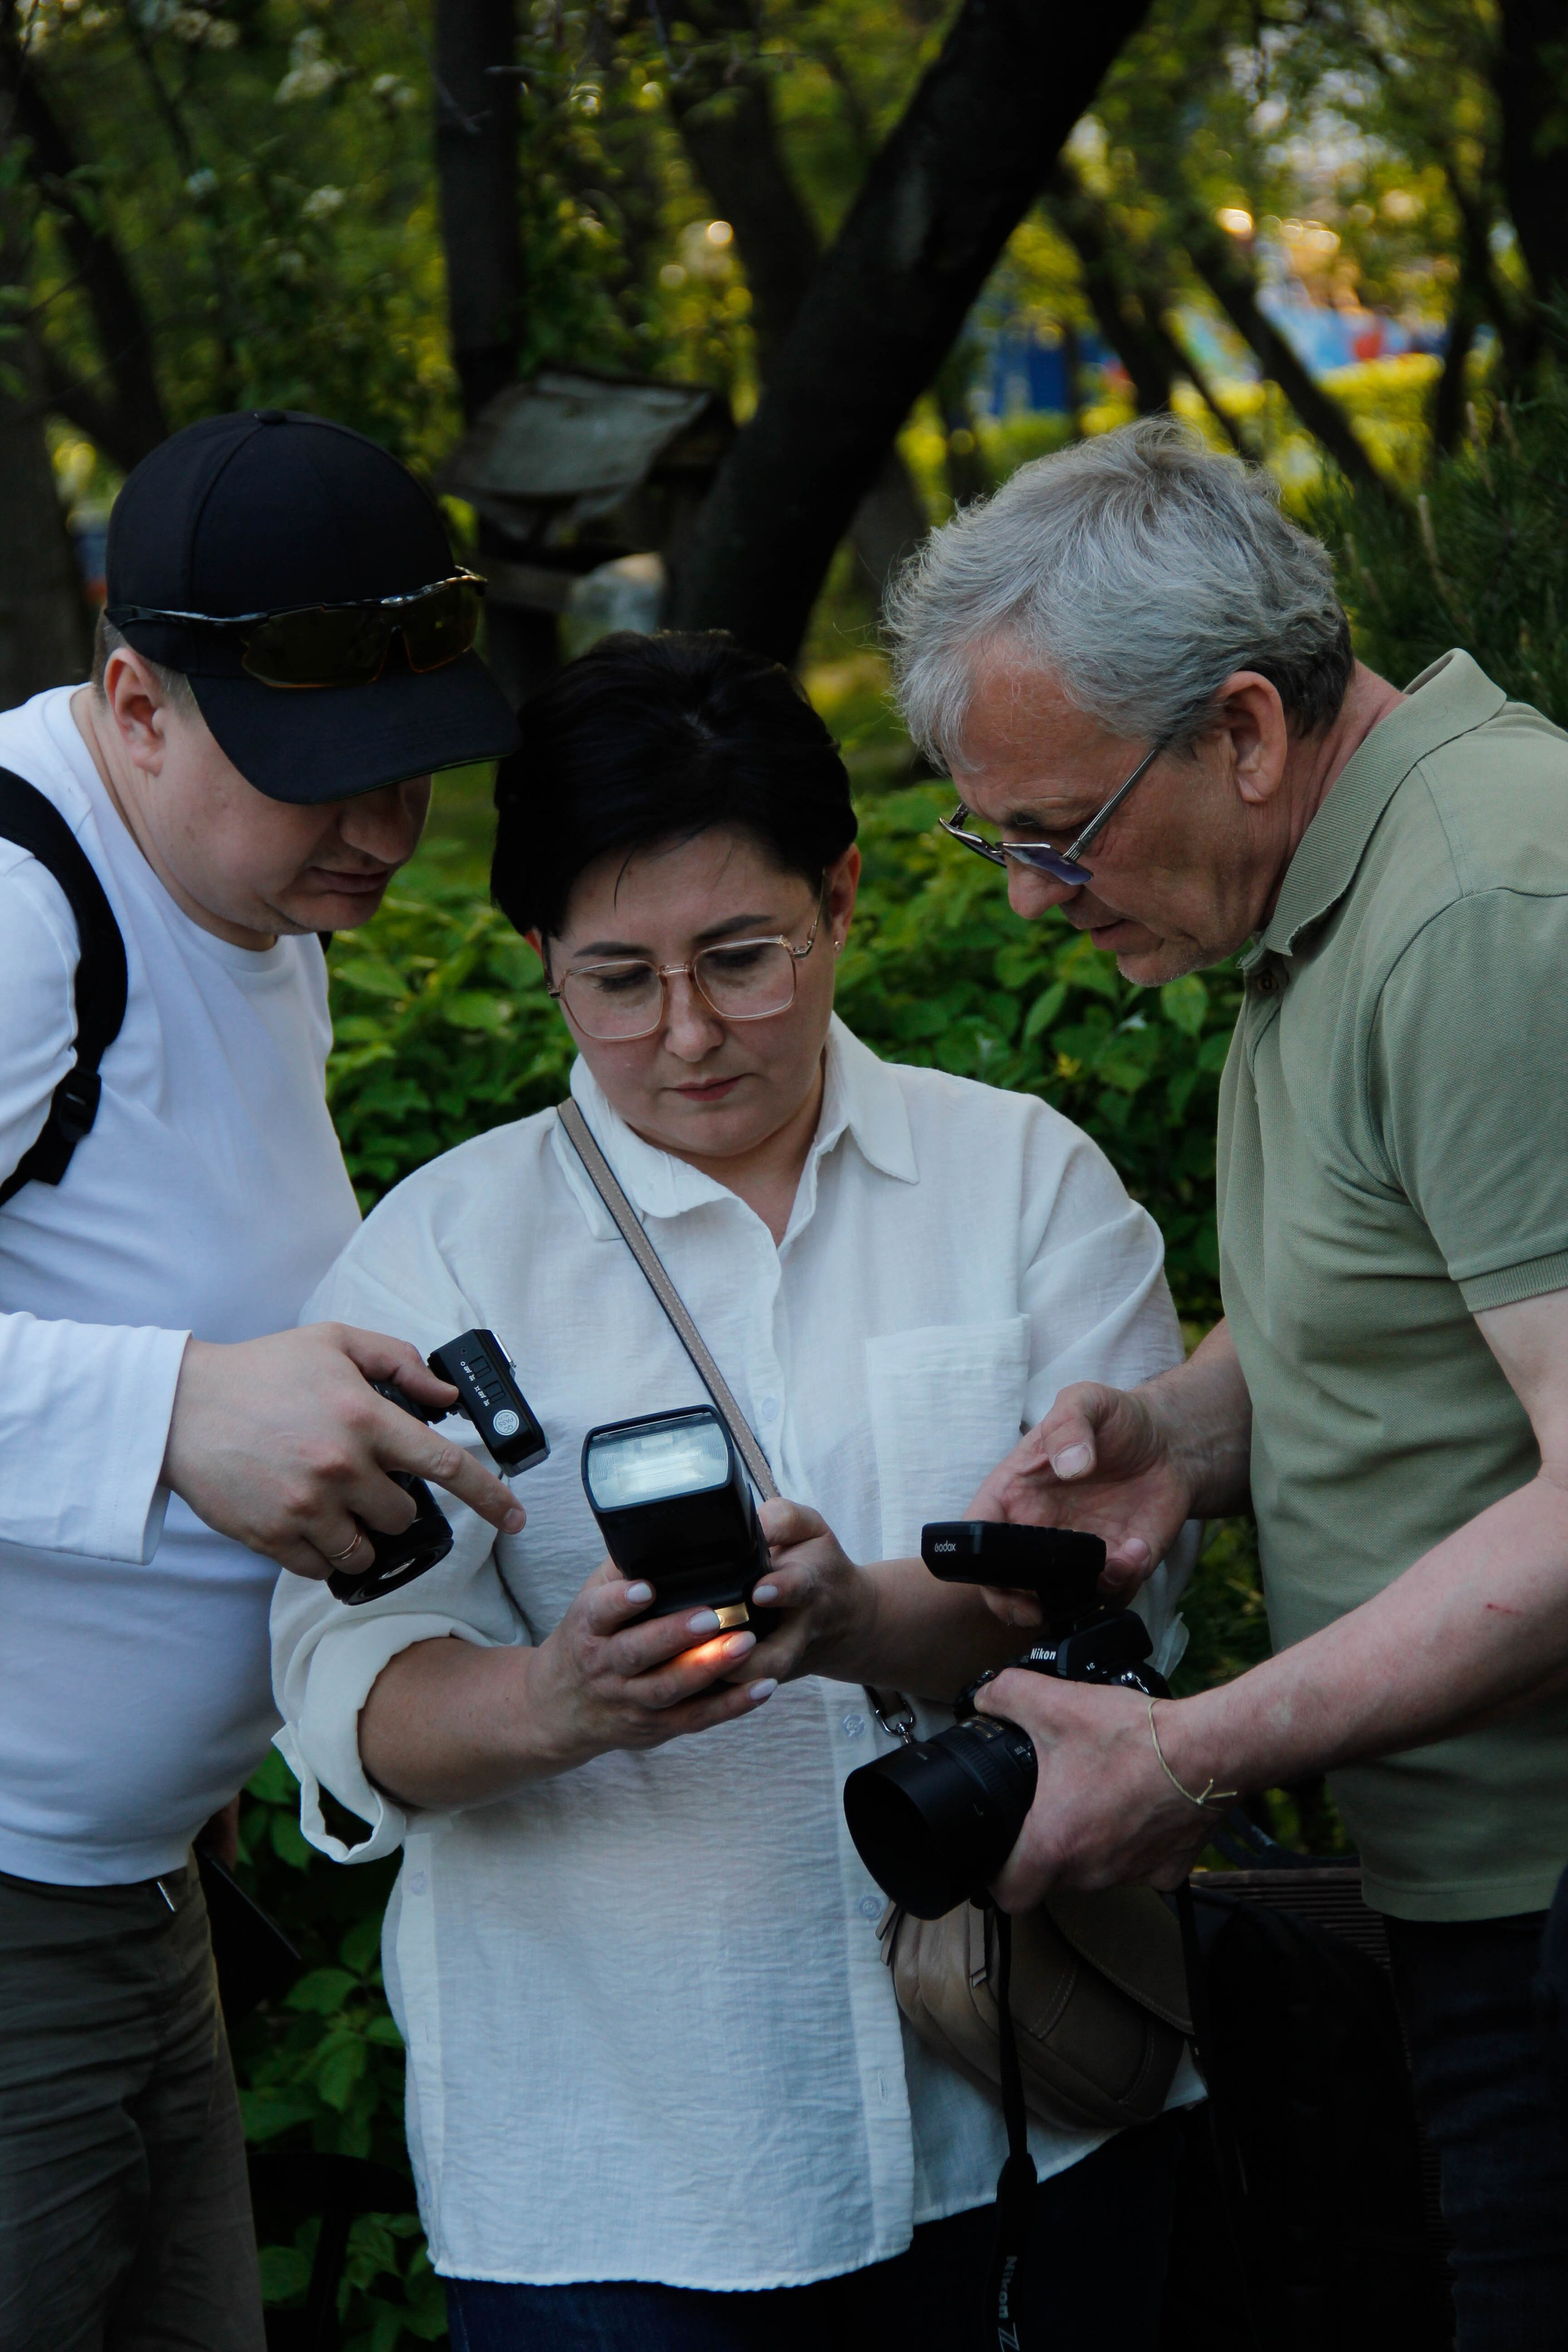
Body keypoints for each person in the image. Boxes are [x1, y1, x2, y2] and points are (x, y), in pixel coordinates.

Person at [270, 630, 1201, 2352]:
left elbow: (1129, 1594)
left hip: (1025, 2113)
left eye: (742, 956)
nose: (687, 1033)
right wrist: (557, 1701)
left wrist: (860, 1622)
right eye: (616, 977)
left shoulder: (1018, 1184)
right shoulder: (436, 1257)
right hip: (617, 2175)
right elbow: (347, 1697)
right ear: (537, 954)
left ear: (843, 895)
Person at [885, 413, 1568, 2346]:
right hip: (1472, 1899)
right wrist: (1174, 1440)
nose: (1027, 895)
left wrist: (1190, 1754)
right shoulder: (1323, 898)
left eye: (1055, 832)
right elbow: (1425, 1303)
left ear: (1246, 732)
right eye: (993, 836)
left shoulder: (1484, 913)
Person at [0, 409, 527, 2352]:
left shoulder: (250, 901)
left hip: (136, 1889)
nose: (382, 829)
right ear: (136, 699)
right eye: (321, 777)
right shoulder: (22, 902)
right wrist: (173, 1415)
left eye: (407, 770)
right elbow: (171, 1381)